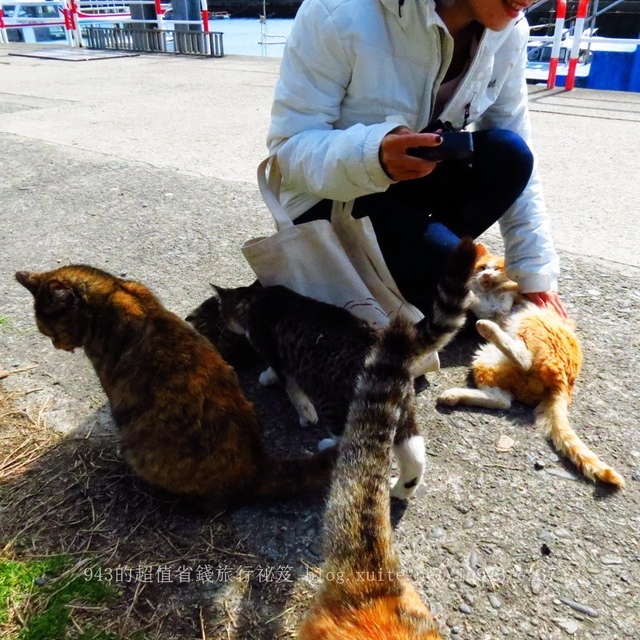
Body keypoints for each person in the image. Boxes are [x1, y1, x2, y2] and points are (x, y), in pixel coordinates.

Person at [265, 0, 568, 325]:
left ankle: (403, 272)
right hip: (330, 200)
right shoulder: (335, 11)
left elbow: (516, 137)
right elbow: (288, 153)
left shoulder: (509, 31)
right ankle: (343, 276)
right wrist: (373, 156)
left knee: (511, 153)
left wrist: (535, 275)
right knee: (450, 280)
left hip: (408, 183)